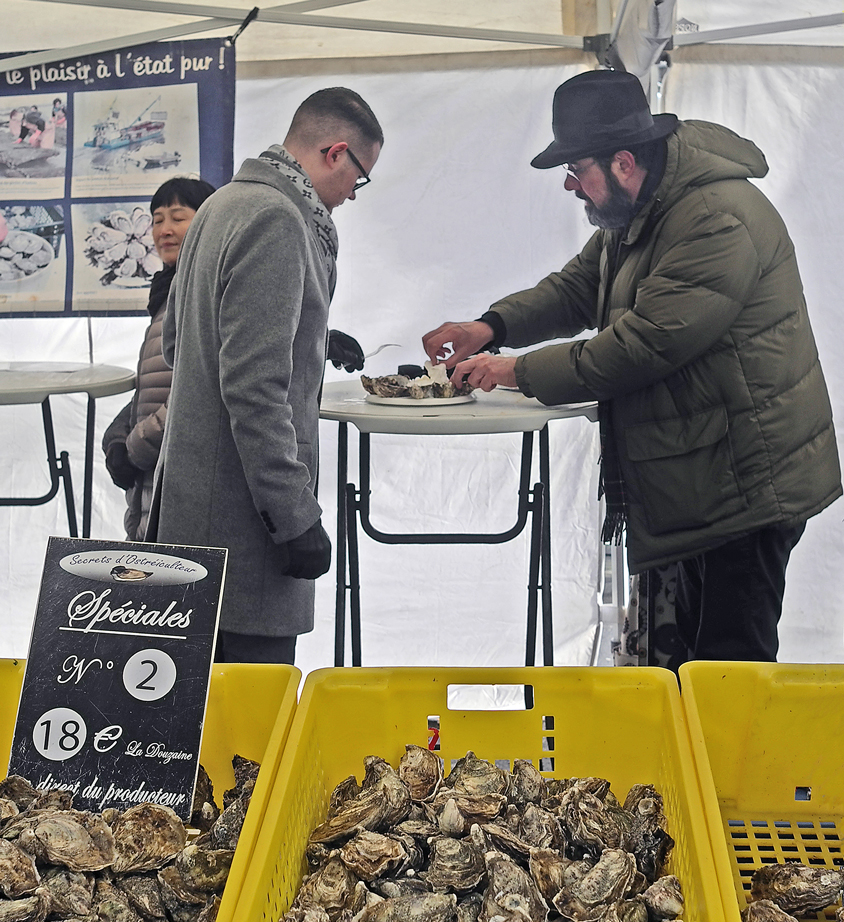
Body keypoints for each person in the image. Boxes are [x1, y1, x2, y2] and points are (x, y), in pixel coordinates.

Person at [423, 69, 841, 665]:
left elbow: (645, 345)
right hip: (699, 478)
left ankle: (725, 763)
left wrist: (516, 371)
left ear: (622, 162)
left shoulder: (715, 218)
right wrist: (492, 326)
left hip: (745, 489)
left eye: (576, 171)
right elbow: (580, 285)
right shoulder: (644, 208)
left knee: (729, 670)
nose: (570, 185)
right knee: (683, 668)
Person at [151, 86, 383, 665]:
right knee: (249, 741)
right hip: (245, 532)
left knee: (193, 733)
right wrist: (294, 516)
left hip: (191, 522)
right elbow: (254, 390)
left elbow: (184, 343)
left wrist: (306, 338)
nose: (354, 194)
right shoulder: (279, 219)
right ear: (335, 153)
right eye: (360, 176)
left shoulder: (222, 205)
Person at [102, 176, 216, 541]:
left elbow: (195, 390)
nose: (164, 230)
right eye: (157, 219)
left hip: (179, 477)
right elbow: (152, 384)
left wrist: (134, 447)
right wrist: (116, 438)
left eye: (178, 217)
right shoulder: (168, 292)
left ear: (208, 220)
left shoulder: (205, 289)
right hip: (153, 473)